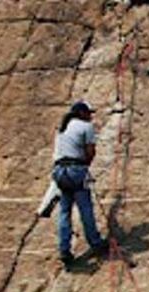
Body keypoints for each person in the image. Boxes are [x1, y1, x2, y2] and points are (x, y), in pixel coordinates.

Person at [52, 100, 107, 265]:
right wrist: (84, 167)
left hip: (59, 171)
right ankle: (95, 242)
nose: (90, 117)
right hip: (76, 170)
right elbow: (90, 152)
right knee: (85, 207)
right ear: (82, 113)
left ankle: (64, 250)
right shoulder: (85, 127)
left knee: (64, 211)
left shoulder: (62, 130)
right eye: (89, 113)